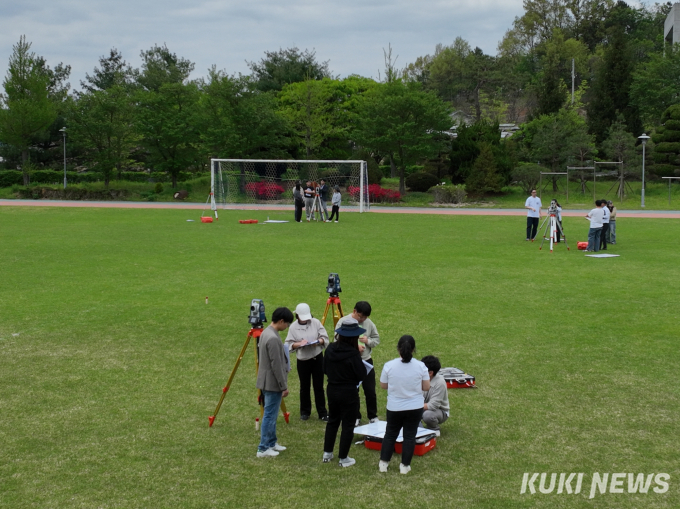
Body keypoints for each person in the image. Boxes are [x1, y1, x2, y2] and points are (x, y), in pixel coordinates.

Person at [378, 335, 430, 475]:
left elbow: (383, 385)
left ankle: (383, 463)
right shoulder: (421, 366)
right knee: (409, 436)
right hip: (414, 407)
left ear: (398, 349)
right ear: (413, 350)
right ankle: (405, 466)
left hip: (395, 407)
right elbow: (426, 387)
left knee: (390, 434)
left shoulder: (389, 365)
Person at [322, 318, 367, 468]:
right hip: (348, 392)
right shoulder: (353, 354)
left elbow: (325, 369)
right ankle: (343, 457)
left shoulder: (330, 349)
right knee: (348, 424)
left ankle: (327, 453)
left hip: (332, 390)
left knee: (333, 421)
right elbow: (361, 374)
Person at [256, 307, 294, 458]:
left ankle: (271, 442)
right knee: (270, 416)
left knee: (271, 414)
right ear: (281, 321)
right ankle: (263, 447)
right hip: (271, 382)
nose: (287, 327)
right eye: (287, 324)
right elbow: (276, 365)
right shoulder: (272, 338)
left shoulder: (267, 332)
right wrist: (283, 385)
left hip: (267, 380)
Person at [335, 301, 380, 426]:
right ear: (354, 311)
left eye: (365, 317)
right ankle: (355, 416)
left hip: (366, 360)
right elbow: (336, 339)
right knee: (353, 391)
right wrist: (354, 348)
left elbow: (376, 339)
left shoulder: (369, 323)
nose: (362, 319)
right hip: (350, 362)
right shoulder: (343, 321)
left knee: (370, 390)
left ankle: (373, 415)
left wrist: (368, 341)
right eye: (360, 316)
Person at [285, 303, 329, 421]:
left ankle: (322, 412)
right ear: (297, 316)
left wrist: (318, 341)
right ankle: (305, 412)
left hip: (317, 357)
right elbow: (288, 344)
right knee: (304, 387)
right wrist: (299, 344)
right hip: (303, 360)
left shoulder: (315, 322)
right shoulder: (293, 327)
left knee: (318, 386)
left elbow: (325, 338)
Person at [420, 356, 449, 432]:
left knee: (427, 415)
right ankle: (418, 430)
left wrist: (413, 405)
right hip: (421, 406)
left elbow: (433, 406)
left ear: (430, 373)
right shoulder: (418, 378)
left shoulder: (440, 383)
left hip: (439, 411)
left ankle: (434, 429)